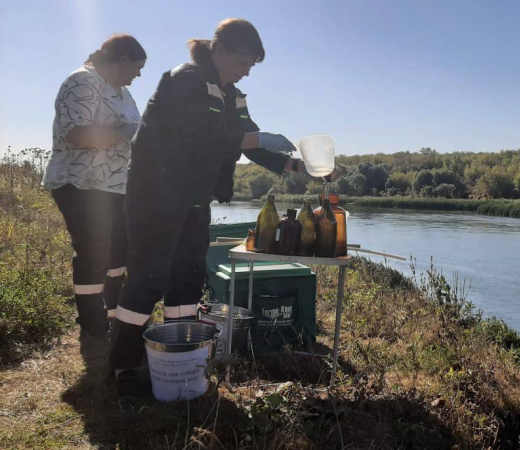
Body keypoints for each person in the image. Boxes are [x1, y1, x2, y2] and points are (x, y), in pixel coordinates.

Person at [109, 18, 339, 395]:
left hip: (196, 197)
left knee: (188, 276)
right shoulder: (184, 79)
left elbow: (251, 144)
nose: (248, 71)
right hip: (157, 191)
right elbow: (197, 136)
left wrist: (302, 167)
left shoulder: (234, 94)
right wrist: (254, 135)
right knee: (149, 276)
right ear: (223, 49)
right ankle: (122, 365)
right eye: (246, 61)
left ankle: (179, 351)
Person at [43, 35, 146, 339]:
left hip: (115, 186)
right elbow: (77, 134)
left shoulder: (122, 92)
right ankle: (92, 323)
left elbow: (132, 135)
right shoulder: (82, 82)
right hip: (81, 183)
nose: (138, 75)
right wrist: (124, 132)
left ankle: (113, 312)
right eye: (137, 67)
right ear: (122, 59)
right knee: (92, 251)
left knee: (119, 250)